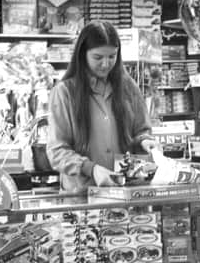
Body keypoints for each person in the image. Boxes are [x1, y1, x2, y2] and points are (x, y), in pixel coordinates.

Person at [47, 20, 157, 192]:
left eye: (112, 56)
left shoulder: (128, 88)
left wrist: (145, 141)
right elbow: (57, 150)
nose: (106, 64)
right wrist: (90, 169)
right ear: (83, 54)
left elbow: (141, 130)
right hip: (82, 197)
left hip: (124, 192)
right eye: (98, 57)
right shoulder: (65, 92)